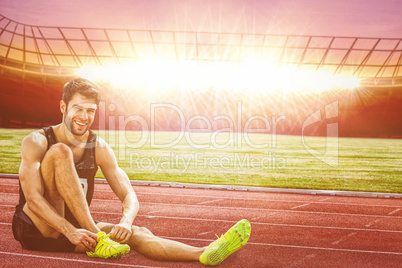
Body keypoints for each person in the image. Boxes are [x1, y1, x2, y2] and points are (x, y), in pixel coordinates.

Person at [12, 78, 251, 265]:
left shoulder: (100, 147)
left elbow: (129, 196)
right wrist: (70, 231)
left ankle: (203, 252)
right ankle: (99, 237)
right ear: (63, 106)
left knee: (136, 232)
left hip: (78, 229)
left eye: (91, 110)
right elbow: (32, 200)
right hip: (38, 228)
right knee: (60, 152)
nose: (84, 117)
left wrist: (125, 223)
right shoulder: (38, 141)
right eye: (78, 108)